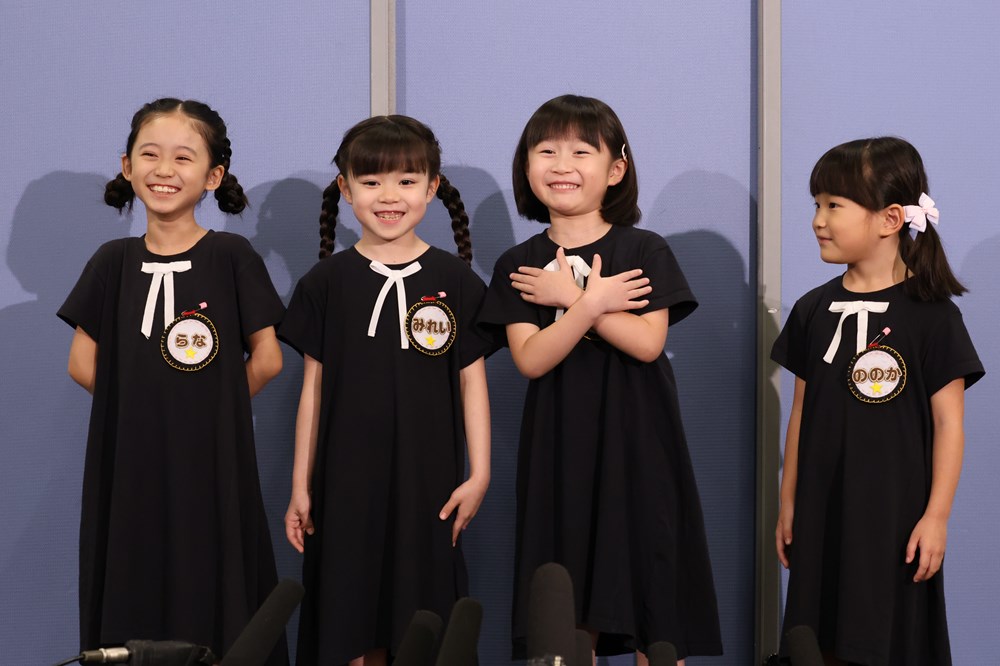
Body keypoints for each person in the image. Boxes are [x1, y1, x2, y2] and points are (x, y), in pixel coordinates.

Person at [478, 94, 722, 665]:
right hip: (560, 450)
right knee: (565, 594)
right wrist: (588, 304)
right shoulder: (520, 263)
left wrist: (572, 297)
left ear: (616, 170)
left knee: (652, 589)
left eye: (581, 152)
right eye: (546, 151)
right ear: (526, 167)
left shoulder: (644, 249)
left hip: (641, 443)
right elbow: (531, 359)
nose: (562, 165)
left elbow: (647, 343)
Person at [58, 98, 287, 663]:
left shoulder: (230, 255)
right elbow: (81, 362)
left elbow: (267, 358)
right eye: (150, 155)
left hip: (212, 457)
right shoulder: (112, 260)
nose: (164, 170)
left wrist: (207, 409)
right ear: (127, 166)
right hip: (129, 458)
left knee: (213, 571)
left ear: (213, 176)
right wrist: (140, 409)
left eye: (183, 157)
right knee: (131, 566)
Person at [279, 115, 493, 666]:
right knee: (349, 610)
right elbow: (312, 390)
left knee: (422, 614)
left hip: (430, 482)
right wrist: (301, 485)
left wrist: (480, 474)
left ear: (432, 187)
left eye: (406, 180)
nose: (389, 196)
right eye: (371, 181)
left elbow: (472, 381)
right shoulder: (325, 283)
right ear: (346, 188)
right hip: (344, 481)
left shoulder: (457, 280)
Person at [773, 137, 985, 666]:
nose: (818, 220)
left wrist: (936, 517)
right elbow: (800, 413)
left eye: (834, 205)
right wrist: (789, 500)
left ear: (890, 218)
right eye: (816, 204)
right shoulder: (812, 309)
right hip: (823, 512)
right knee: (817, 639)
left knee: (886, 640)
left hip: (894, 519)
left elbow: (949, 425)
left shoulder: (933, 316)